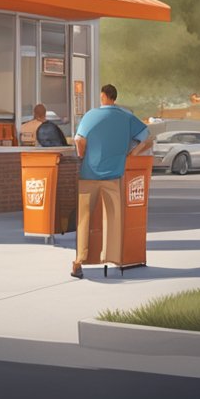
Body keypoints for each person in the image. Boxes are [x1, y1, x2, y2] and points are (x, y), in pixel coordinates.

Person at [70, 84, 151, 279]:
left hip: (89, 175)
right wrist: (131, 154)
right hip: (115, 176)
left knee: (83, 220)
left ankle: (79, 262)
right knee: (114, 219)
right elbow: (147, 137)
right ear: (115, 97)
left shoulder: (90, 115)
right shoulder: (126, 117)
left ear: (103, 96)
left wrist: (82, 154)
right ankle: (112, 258)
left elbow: (79, 140)